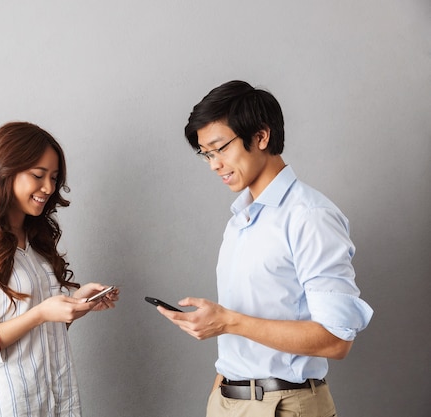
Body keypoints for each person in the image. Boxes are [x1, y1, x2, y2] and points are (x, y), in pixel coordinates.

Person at [156, 81, 373, 417]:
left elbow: (335, 339)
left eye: (220, 148)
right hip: (229, 400)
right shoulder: (239, 221)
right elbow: (240, 334)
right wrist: (218, 397)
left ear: (260, 137)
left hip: (285, 406)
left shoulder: (310, 216)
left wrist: (227, 322)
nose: (214, 164)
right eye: (207, 154)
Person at [0, 121, 119, 417]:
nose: (48, 188)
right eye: (38, 175)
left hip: (52, 404)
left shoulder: (34, 247)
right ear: (5, 171)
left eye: (54, 177)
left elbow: (37, 332)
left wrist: (74, 306)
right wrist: (41, 313)